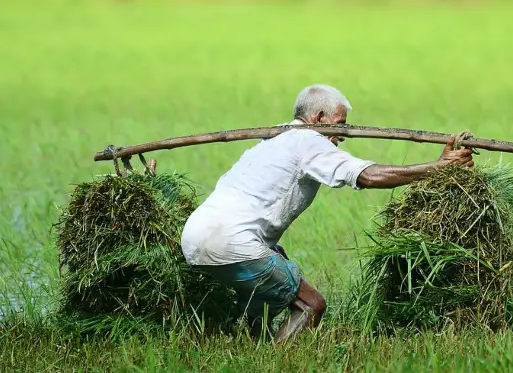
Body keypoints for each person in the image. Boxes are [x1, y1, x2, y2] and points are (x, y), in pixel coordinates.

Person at [181, 84, 475, 343]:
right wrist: (436, 169)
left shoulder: (273, 138)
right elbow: (367, 176)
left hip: (195, 237)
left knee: (273, 266)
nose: (343, 135)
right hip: (232, 242)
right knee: (311, 305)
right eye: (340, 124)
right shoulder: (308, 141)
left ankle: (246, 335)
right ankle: (274, 366)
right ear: (319, 119)